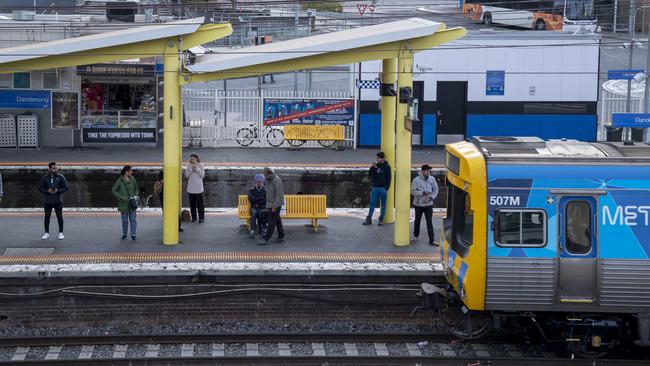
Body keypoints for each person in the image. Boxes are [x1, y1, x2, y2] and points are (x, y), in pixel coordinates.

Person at [38, 162, 68, 240]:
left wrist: (58, 190)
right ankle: (46, 233)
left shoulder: (61, 177)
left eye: (56, 168)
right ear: (49, 169)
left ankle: (61, 233)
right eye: (54, 168)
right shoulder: (44, 178)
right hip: (47, 201)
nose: (55, 169)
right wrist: (47, 191)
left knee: (59, 217)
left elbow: (66, 187)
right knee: (47, 217)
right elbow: (40, 188)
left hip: (58, 201)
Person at [410, 164, 439, 246]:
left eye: (429, 171)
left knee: (429, 222)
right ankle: (415, 236)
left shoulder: (432, 179)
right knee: (417, 221)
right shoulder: (416, 180)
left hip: (428, 204)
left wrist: (431, 198)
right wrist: (423, 193)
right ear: (422, 171)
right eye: (427, 171)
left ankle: (432, 240)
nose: (428, 172)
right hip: (418, 204)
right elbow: (412, 191)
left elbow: (436, 189)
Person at [363, 152, 391, 226]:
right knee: (372, 203)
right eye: (377, 158)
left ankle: (381, 219)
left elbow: (389, 178)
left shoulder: (387, 167)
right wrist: (372, 167)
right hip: (375, 187)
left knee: (383, 205)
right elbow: (369, 174)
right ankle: (369, 219)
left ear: (382, 158)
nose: (377, 159)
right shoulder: (375, 165)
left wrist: (386, 188)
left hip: (383, 188)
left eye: (378, 158)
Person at [111, 165, 139, 241]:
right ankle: (124, 234)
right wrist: (121, 197)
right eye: (131, 171)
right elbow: (113, 190)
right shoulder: (119, 181)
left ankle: (133, 234)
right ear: (126, 172)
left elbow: (136, 188)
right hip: (123, 204)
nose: (132, 172)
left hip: (132, 203)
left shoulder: (133, 179)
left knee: (133, 219)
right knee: (125, 220)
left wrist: (136, 195)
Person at [259, 167, 285, 245]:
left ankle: (267, 238)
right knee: (277, 220)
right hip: (270, 203)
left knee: (271, 221)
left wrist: (275, 206)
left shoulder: (277, 180)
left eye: (267, 175)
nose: (266, 176)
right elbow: (267, 191)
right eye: (265, 175)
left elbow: (279, 195)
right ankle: (281, 236)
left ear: (271, 173)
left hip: (276, 204)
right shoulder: (268, 180)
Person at [185, 154, 205, 223]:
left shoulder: (201, 165)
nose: (191, 160)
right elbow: (186, 175)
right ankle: (194, 218)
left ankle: (201, 218)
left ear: (196, 159)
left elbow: (202, 175)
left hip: (199, 188)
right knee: (192, 204)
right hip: (191, 188)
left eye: (193, 159)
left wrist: (197, 169)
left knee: (200, 204)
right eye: (191, 159)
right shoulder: (188, 165)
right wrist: (191, 171)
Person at [247, 173, 267, 238]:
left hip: (262, 207)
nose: (259, 183)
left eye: (261, 182)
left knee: (262, 212)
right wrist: (260, 198)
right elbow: (251, 199)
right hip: (254, 207)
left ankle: (264, 229)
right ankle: (252, 230)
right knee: (254, 213)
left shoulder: (265, 190)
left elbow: (266, 200)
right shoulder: (251, 190)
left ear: (263, 182)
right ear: (256, 182)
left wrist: (257, 199)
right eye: (258, 182)